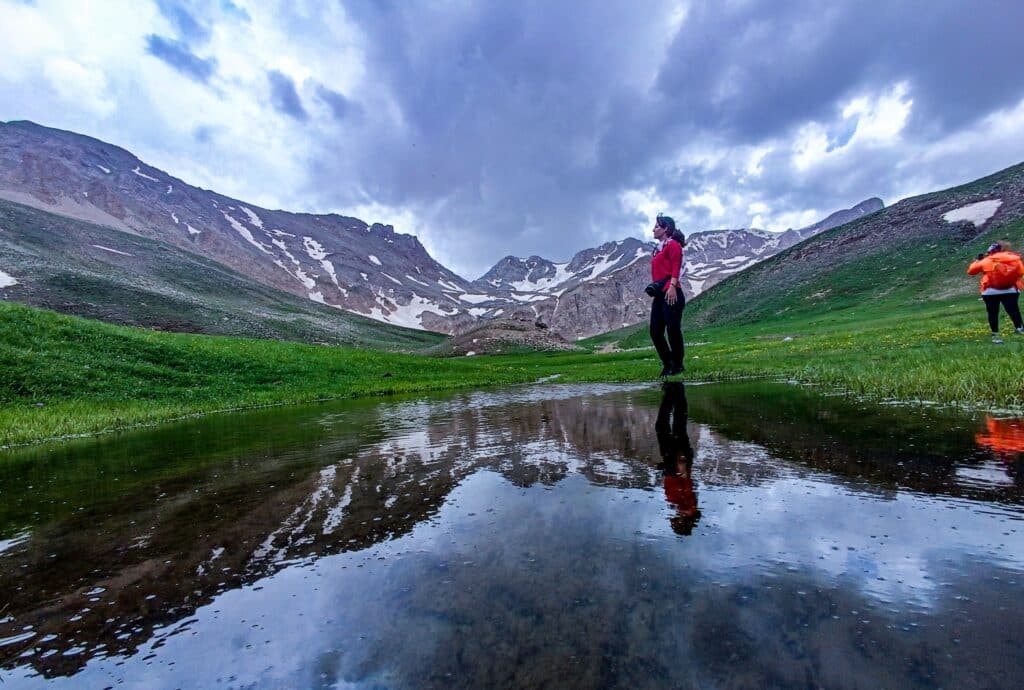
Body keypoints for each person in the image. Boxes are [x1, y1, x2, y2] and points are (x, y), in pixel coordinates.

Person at [655, 381, 700, 536]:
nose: (674, 520)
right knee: (669, 426)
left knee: (674, 426)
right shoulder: (688, 506)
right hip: (676, 462)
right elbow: (685, 485)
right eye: (676, 523)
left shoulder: (684, 507)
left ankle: (674, 391)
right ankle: (675, 390)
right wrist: (681, 466)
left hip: (672, 464)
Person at [967, 241, 1024, 344]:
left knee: (993, 313)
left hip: (990, 291)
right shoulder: (1013, 258)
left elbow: (971, 271)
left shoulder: (986, 260)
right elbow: (1021, 272)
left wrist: (977, 261)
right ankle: (1020, 328)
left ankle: (995, 335)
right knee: (1013, 310)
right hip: (1010, 289)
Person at [649, 214, 686, 376]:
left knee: (673, 330)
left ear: (666, 229)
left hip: (672, 292)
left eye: (657, 226)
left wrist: (672, 286)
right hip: (660, 295)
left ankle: (677, 365)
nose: (653, 229)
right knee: (655, 331)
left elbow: (676, 265)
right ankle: (668, 362)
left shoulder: (673, 245)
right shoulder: (658, 249)